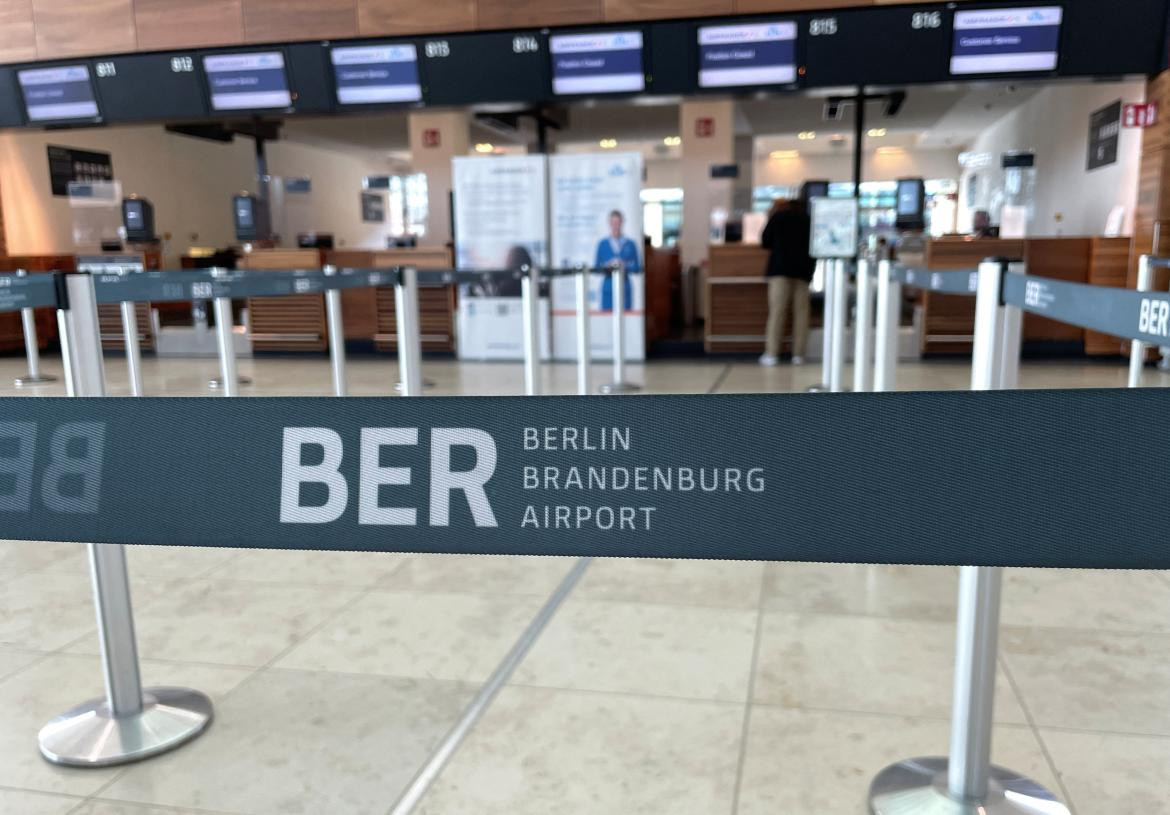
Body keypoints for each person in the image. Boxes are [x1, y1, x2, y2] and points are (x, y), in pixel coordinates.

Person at [760, 198, 815, 366]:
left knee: (777, 312)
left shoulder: (778, 217)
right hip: (803, 272)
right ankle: (798, 355)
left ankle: (772, 354)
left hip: (780, 270)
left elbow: (765, 241)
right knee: (801, 314)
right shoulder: (808, 219)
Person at [594, 209, 640, 311]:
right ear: (609, 224)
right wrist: (608, 266)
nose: (616, 225)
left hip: (624, 286)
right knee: (607, 319)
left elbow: (637, 268)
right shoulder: (603, 244)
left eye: (618, 222)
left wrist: (625, 266)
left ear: (622, 223)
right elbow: (597, 268)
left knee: (626, 318)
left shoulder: (630, 244)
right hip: (608, 287)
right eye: (613, 223)